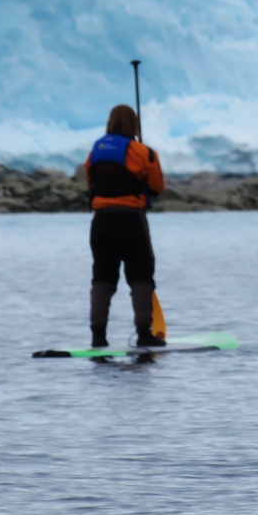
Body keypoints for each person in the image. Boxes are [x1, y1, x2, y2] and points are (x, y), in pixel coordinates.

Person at [85, 105, 166, 348]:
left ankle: (98, 337)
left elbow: (91, 182)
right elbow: (157, 187)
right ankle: (143, 332)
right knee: (140, 275)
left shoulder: (95, 152)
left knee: (102, 277)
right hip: (131, 219)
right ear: (134, 124)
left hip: (101, 221)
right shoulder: (144, 152)